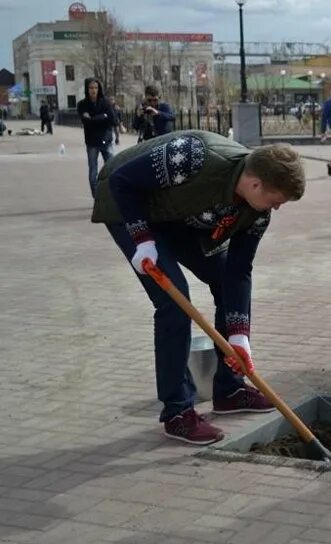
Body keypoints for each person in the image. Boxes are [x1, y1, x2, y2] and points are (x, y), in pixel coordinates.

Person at [90, 130, 306, 444]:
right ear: (256, 184)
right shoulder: (193, 157)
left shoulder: (256, 212)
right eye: (276, 201)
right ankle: (178, 412)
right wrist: (142, 239)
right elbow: (123, 181)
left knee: (222, 281)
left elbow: (238, 271)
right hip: (127, 202)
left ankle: (230, 390)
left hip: (178, 215)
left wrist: (239, 336)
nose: (277, 208)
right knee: (174, 302)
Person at [76, 78, 117, 197]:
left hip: (106, 139)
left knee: (112, 166)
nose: (93, 90)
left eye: (95, 88)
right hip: (92, 141)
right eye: (91, 88)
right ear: (87, 89)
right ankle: (96, 196)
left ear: (99, 89)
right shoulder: (82, 105)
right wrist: (102, 117)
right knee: (93, 170)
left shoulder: (106, 102)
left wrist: (94, 118)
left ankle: (112, 193)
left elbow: (112, 120)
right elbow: (86, 122)